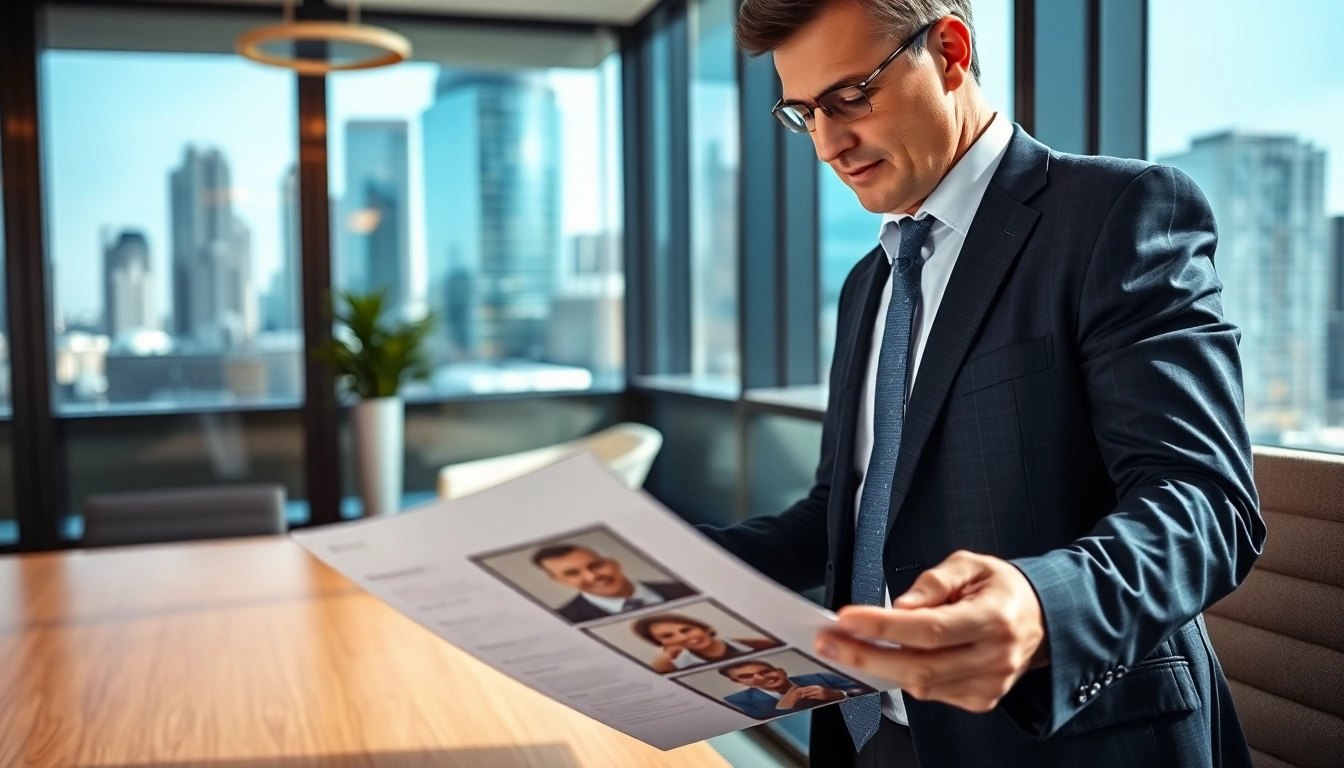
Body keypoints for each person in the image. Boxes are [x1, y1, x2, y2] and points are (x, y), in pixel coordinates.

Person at [696, 1, 1265, 766]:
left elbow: (1206, 502)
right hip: (875, 735)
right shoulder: (869, 283)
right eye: (804, 114)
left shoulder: (1115, 214)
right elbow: (844, 515)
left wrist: (1040, 605)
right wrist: (667, 567)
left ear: (952, 52)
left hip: (1066, 739)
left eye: (848, 98)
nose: (828, 144)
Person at [531, 544, 696, 623]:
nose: (591, 577)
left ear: (613, 563)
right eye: (573, 573)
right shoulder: (562, 621)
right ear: (559, 581)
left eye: (595, 566)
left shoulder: (687, 589)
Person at [718, 660, 870, 720]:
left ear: (781, 670)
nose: (761, 678)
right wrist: (784, 708)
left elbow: (870, 688)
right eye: (747, 676)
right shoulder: (735, 702)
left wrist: (838, 694)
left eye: (765, 671)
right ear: (738, 682)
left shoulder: (820, 676)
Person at [630, 612, 780, 671]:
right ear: (662, 644)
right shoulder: (671, 666)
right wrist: (663, 660)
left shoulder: (760, 645)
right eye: (668, 636)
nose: (682, 637)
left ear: (705, 628)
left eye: (686, 630)